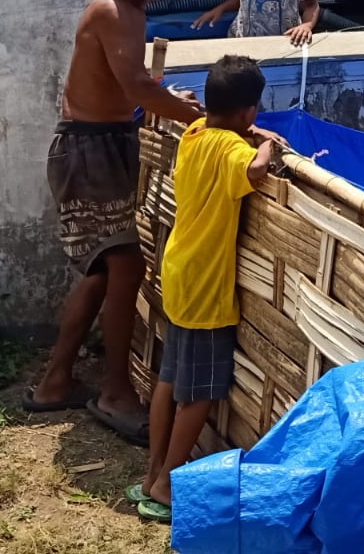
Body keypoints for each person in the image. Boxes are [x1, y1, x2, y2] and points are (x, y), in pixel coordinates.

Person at [24, 0, 205, 443]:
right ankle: (116, 392)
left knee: (104, 271)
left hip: (101, 145)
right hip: (89, 150)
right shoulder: (112, 11)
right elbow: (134, 87)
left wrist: (165, 98)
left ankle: (56, 382)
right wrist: (194, 116)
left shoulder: (129, 9)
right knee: (125, 266)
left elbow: (133, 84)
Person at [128, 55, 280, 523]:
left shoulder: (193, 136)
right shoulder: (231, 151)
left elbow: (218, 130)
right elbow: (255, 170)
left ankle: (154, 469)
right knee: (200, 392)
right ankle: (170, 482)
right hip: (205, 288)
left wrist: (248, 134)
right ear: (249, 112)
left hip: (176, 270)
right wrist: (269, 145)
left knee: (170, 378)